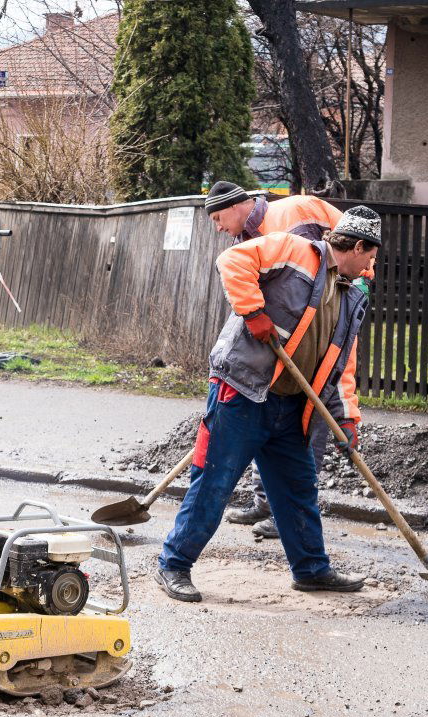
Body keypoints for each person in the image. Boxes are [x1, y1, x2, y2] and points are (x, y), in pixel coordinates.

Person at [155, 206, 383, 602]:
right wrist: (253, 311)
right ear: (358, 245)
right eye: (371, 257)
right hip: (243, 391)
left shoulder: (351, 295)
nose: (371, 267)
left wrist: (346, 419)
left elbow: (342, 364)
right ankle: (174, 565)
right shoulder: (295, 250)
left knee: (297, 489)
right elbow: (233, 260)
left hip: (294, 406)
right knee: (214, 483)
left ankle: (311, 569)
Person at [203, 181, 355, 541]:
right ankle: (265, 502)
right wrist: (255, 314)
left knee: (305, 419)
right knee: (269, 414)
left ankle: (285, 511)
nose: (218, 227)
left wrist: (346, 414)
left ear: (238, 205)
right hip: (285, 342)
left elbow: (314, 284)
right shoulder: (250, 235)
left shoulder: (289, 218)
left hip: (330, 315)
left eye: (218, 217)